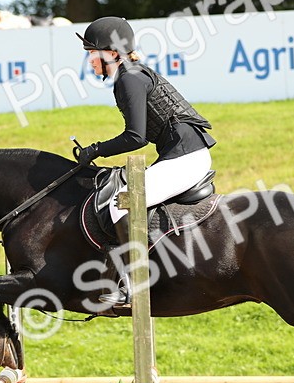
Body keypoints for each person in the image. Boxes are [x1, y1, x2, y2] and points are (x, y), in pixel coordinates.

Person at [74, 16, 216, 306]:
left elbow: (135, 137)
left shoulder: (130, 78)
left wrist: (96, 149)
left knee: (121, 202)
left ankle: (134, 284)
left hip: (187, 158)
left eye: (92, 53)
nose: (89, 61)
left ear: (112, 53)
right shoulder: (130, 74)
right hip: (183, 154)